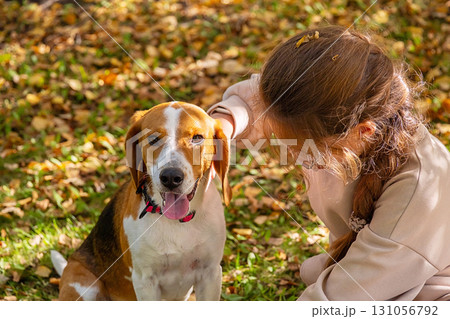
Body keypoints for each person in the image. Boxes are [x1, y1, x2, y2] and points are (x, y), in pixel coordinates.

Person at [207, 26, 450, 301]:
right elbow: (262, 97)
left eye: (305, 149)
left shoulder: (418, 195)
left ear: (363, 131)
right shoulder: (325, 110)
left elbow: (335, 303)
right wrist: (222, 126)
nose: (297, 157)